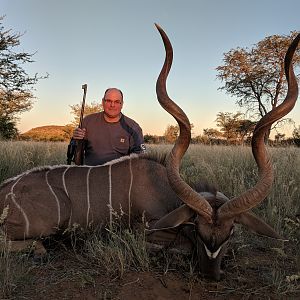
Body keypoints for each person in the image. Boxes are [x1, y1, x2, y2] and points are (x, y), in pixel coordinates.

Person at [72, 87, 146, 165]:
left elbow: (140, 156)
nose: (112, 105)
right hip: (90, 174)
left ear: (122, 104)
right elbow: (76, 149)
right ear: (102, 102)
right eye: (108, 101)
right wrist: (75, 138)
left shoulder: (133, 127)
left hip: (119, 175)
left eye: (117, 102)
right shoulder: (88, 121)